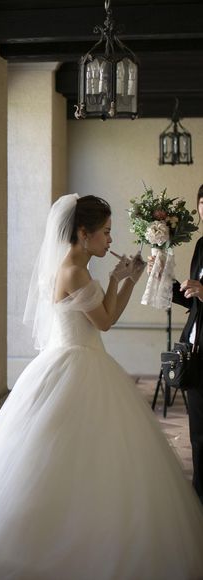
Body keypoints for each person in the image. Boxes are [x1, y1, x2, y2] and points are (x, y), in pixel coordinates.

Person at [0, 194, 203, 580]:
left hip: (80, 360)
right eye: (105, 232)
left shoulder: (78, 268)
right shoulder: (74, 271)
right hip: (76, 364)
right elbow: (105, 322)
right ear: (83, 233)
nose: (110, 240)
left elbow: (104, 316)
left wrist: (122, 279)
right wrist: (125, 279)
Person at [168, 183, 203, 502]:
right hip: (195, 352)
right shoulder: (201, 246)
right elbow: (194, 301)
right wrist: (167, 284)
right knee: (198, 436)